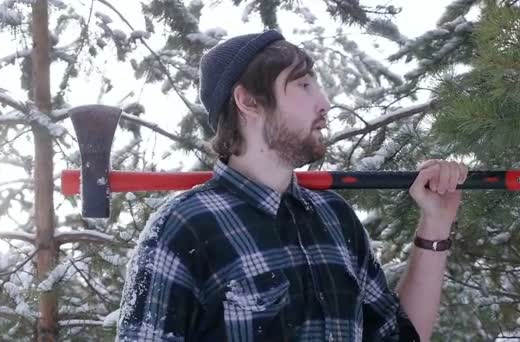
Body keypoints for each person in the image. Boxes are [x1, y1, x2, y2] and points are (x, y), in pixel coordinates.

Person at [116, 30, 467, 342]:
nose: (325, 103)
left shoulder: (335, 219)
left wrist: (436, 223)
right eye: (303, 85)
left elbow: (399, 336)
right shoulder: (182, 228)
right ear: (248, 101)